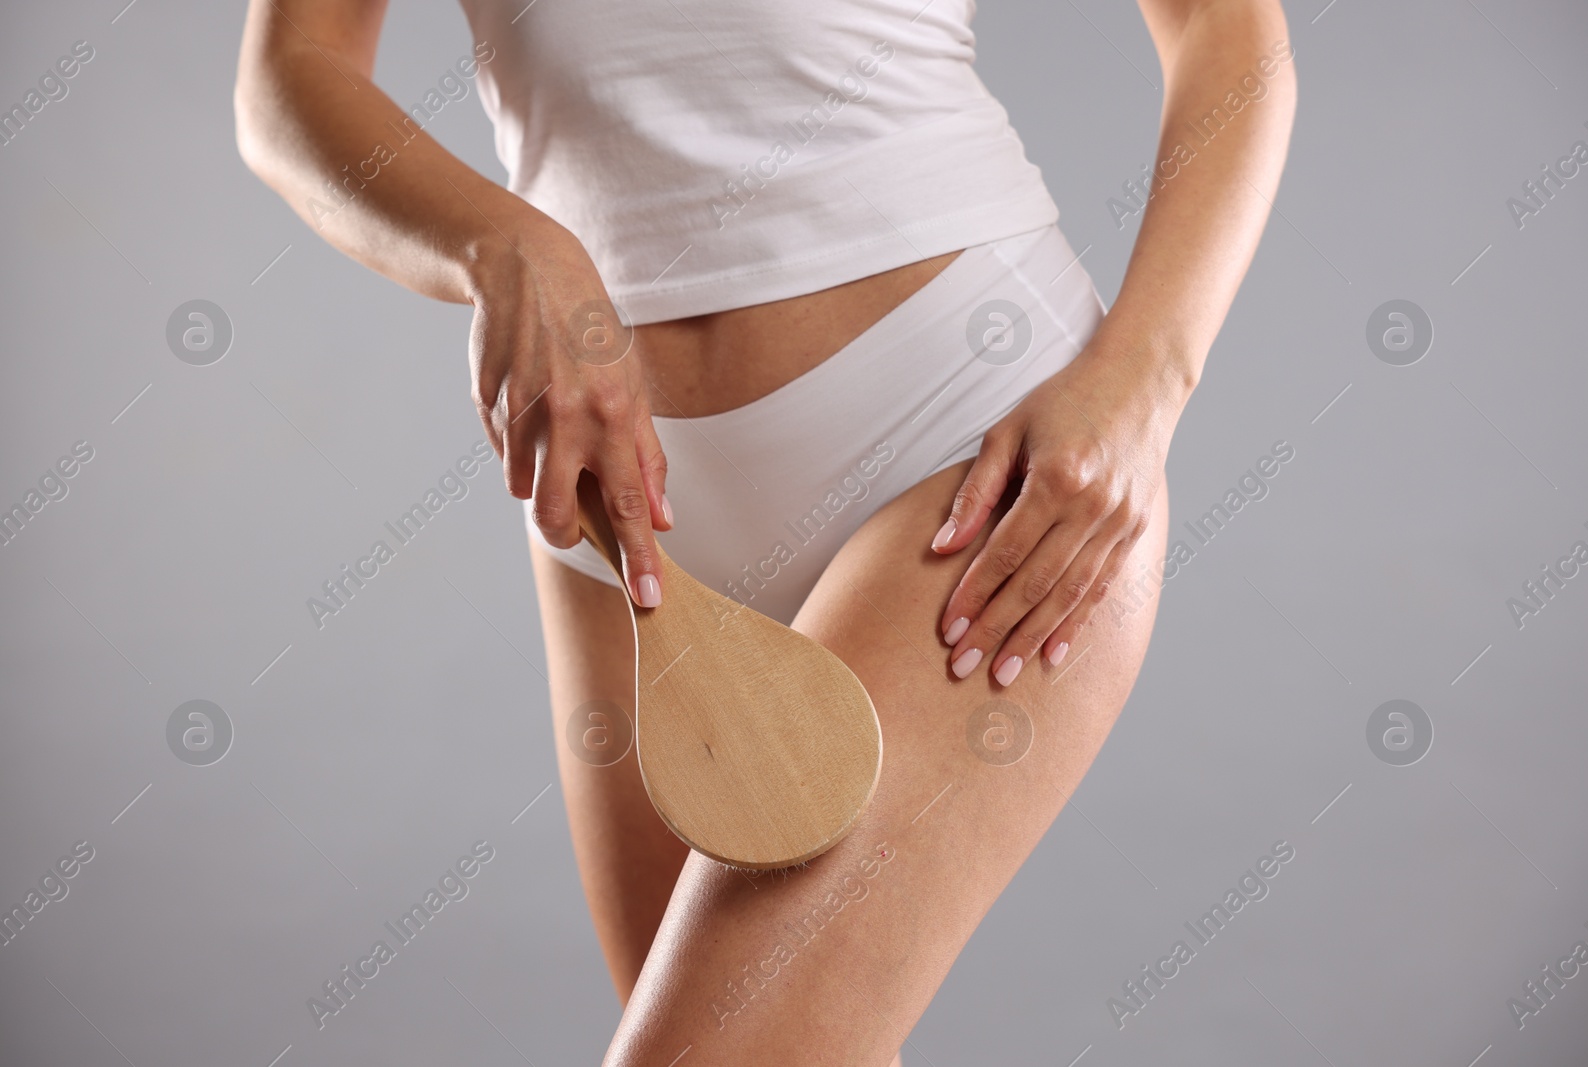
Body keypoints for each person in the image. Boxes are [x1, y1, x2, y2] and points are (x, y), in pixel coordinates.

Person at [235, 0, 1294, 1061]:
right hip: (615, 504)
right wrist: (500, 243)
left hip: (966, 440)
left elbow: (1221, 25)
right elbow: (289, 75)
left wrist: (1142, 383)